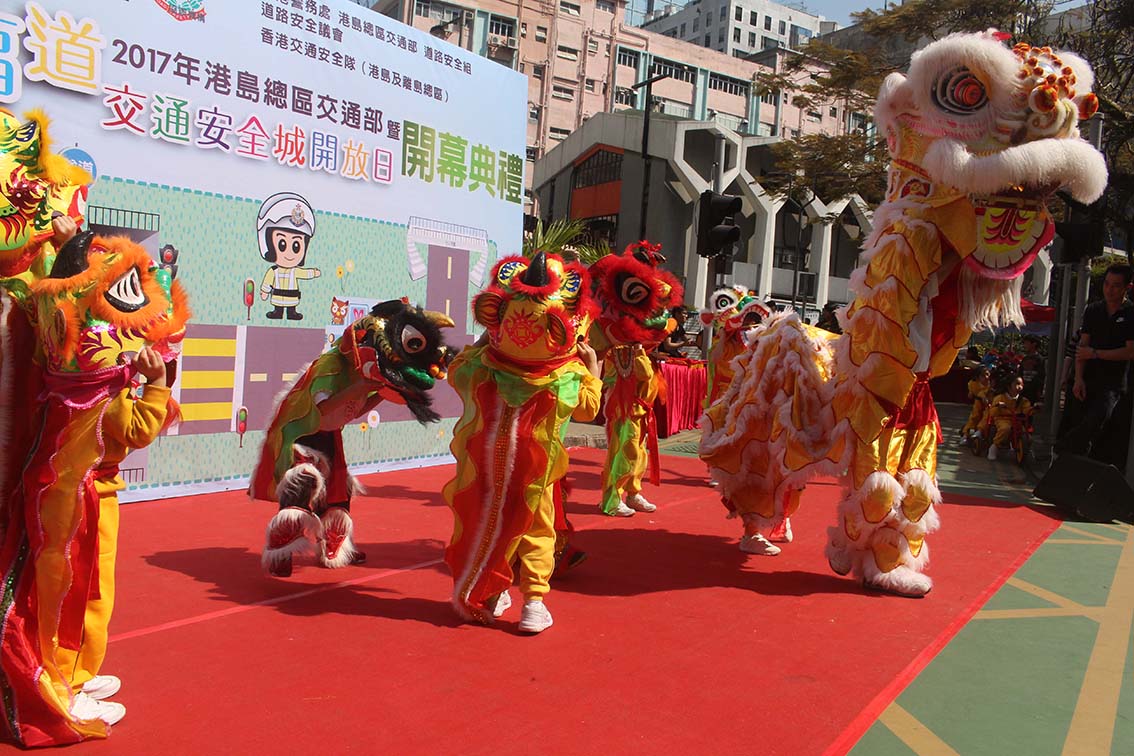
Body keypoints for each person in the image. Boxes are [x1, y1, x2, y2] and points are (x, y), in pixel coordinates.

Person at [1056, 264, 1134, 457]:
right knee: (1076, 421)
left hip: (1112, 383)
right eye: (1107, 284)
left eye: (1116, 285)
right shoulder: (1093, 310)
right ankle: (1067, 458)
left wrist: (1096, 353)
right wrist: (1078, 378)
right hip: (1087, 378)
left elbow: (1129, 352)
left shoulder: (1131, 314)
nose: (1110, 289)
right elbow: (1082, 347)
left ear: (1127, 287)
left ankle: (1066, 451)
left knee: (1098, 418)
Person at [983, 373, 1034, 460]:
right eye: (1017, 384)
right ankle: (994, 447)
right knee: (1005, 429)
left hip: (1016, 420)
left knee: (1027, 435)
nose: (1020, 387)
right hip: (1002, 419)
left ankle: (1023, 450)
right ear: (1009, 386)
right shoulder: (1000, 397)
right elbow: (992, 412)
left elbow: (1027, 409)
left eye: (1022, 384)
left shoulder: (1023, 400)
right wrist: (998, 407)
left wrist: (1033, 410)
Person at [961, 365, 992, 439]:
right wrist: (971, 393)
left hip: (989, 404)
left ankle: (980, 430)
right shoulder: (973, 384)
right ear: (977, 377)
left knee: (987, 415)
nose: (986, 377)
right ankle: (966, 434)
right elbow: (972, 394)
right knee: (974, 416)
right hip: (978, 402)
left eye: (987, 375)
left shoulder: (991, 384)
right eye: (983, 376)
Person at [1018, 335, 1045, 405]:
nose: (1025, 345)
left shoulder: (1039, 359)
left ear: (1034, 344)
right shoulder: (1025, 359)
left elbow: (1041, 375)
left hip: (1033, 390)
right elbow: (1020, 373)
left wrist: (1039, 390)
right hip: (1023, 389)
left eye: (1026, 343)